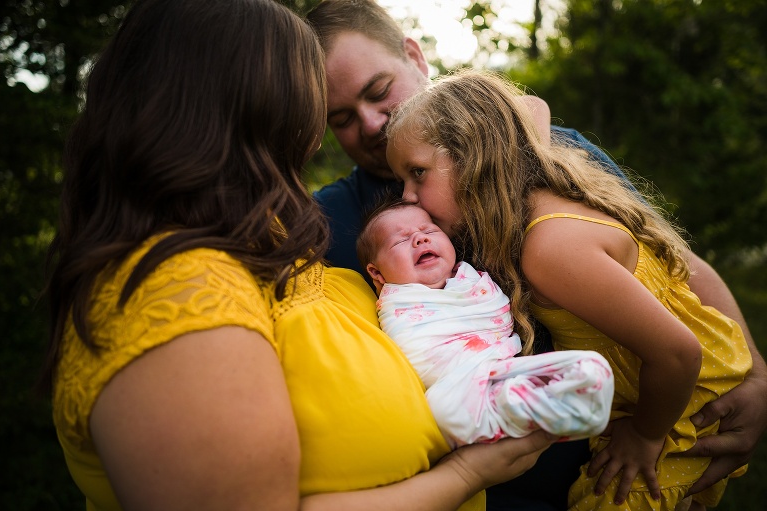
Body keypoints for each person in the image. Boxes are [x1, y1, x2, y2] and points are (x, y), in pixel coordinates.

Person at [39, 2, 559, 510]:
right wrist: (468, 473)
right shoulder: (169, 294)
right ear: (253, 109)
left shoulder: (266, 240)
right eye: (314, 99)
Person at [305, 1, 767, 510]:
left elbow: (673, 263)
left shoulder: (549, 169)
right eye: (342, 118)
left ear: (415, 57)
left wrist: (757, 375)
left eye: (379, 92)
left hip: (625, 440)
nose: (371, 124)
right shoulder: (328, 223)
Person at [384, 68, 755, 510]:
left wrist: (644, 435)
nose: (406, 196)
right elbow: (523, 112)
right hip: (664, 395)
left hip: (682, 408)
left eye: (417, 173)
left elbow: (679, 353)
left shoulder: (549, 248)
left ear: (474, 156)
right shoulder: (545, 193)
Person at [357, 197, 614, 449]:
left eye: (429, 230)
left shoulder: (472, 281)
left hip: (503, 367)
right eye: (401, 240)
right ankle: (527, 409)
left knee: (591, 367)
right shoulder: (398, 300)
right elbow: (415, 351)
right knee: (442, 409)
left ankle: (520, 405)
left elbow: (499, 317)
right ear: (377, 273)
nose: (420, 238)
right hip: (458, 386)